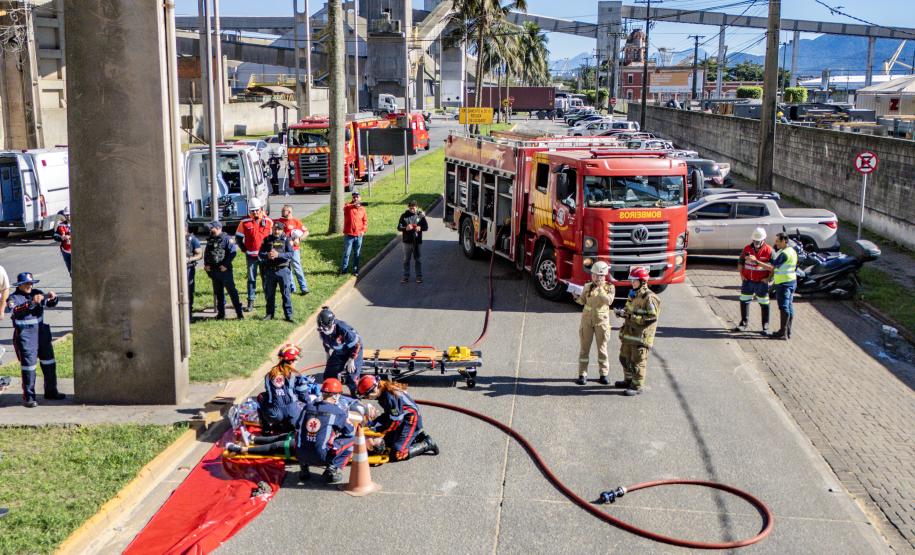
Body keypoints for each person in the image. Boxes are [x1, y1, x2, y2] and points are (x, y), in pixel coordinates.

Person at [6, 272, 65, 407]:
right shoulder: (14, 298)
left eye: (31, 283)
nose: (29, 286)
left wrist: (53, 298)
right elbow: (15, 310)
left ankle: (51, 392)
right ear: (19, 285)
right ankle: (29, 397)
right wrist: (31, 303)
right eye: (26, 283)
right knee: (29, 367)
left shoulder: (37, 292)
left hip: (42, 333)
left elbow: (49, 303)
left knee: (49, 362)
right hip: (26, 335)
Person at [356, 375, 439, 461]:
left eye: (366, 396)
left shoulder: (389, 397)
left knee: (397, 454)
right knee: (388, 442)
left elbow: (395, 422)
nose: (367, 398)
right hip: (401, 418)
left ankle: (427, 443)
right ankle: (415, 438)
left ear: (373, 390)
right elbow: (388, 416)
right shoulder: (383, 391)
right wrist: (372, 425)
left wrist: (380, 432)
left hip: (410, 421)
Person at [295, 378, 357, 484]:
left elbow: (297, 426)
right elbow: (349, 432)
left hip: (300, 454)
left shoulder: (307, 407)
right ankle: (332, 469)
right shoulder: (338, 412)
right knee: (353, 440)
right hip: (322, 457)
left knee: (300, 436)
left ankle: (304, 468)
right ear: (335, 395)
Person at [615, 267, 661, 396]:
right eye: (632, 280)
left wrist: (632, 317)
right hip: (629, 333)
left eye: (634, 281)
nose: (632, 283)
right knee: (624, 358)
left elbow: (652, 317)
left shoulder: (650, 298)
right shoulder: (633, 294)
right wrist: (622, 313)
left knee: (637, 362)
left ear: (643, 281)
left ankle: (637, 386)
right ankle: (628, 380)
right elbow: (628, 309)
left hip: (641, 337)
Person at [574, 261, 616, 385]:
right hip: (587, 321)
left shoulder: (609, 288)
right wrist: (575, 297)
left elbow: (609, 301)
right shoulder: (587, 286)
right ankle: (582, 374)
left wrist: (600, 288)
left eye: (598, 275)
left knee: (602, 349)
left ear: (604, 276)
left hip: (601, 322)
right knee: (584, 349)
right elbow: (582, 301)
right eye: (593, 275)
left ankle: (604, 374)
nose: (595, 278)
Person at [749, 232, 797, 340]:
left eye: (778, 241)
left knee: (784, 307)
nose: (776, 243)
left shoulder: (784, 254)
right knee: (789, 306)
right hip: (791, 281)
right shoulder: (791, 251)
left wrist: (756, 261)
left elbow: (772, 267)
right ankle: (787, 332)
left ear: (784, 241)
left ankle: (782, 333)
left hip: (783, 283)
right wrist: (768, 279)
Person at [258, 344, 314, 433]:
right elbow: (303, 396)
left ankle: (266, 428)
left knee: (261, 397)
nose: (297, 362)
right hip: (292, 415)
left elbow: (270, 392)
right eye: (296, 359)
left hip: (275, 415)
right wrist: (311, 405)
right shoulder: (296, 375)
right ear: (292, 361)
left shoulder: (269, 375)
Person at [235, 198, 273, 312]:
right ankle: (250, 302)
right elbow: (238, 238)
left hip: (265, 256)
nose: (255, 212)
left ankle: (268, 301)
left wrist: (270, 251)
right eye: (252, 211)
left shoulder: (268, 221)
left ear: (261, 209)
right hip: (251, 256)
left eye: (256, 210)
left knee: (266, 279)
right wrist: (244, 249)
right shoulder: (244, 222)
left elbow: (272, 238)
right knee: (251, 279)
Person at [317, 306, 362, 396]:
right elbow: (326, 343)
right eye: (323, 329)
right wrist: (327, 354)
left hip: (353, 350)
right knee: (328, 375)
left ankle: (355, 395)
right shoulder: (323, 331)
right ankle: (332, 395)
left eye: (326, 328)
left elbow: (357, 344)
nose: (325, 331)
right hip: (340, 350)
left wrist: (351, 359)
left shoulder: (343, 329)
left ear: (332, 323)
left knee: (351, 377)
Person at [735, 227, 773, 334]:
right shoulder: (747, 249)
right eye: (754, 240)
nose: (756, 243)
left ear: (763, 240)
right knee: (744, 300)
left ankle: (765, 326)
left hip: (761, 282)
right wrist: (741, 275)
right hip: (747, 281)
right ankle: (743, 324)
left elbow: (773, 268)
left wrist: (768, 279)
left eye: (758, 241)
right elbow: (740, 262)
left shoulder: (769, 250)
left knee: (764, 303)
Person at [204, 220, 244, 320]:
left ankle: (239, 314)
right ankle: (221, 314)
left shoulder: (227, 239)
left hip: (225, 271)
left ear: (218, 228)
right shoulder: (211, 239)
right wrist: (206, 265)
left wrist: (225, 265)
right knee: (218, 293)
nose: (210, 230)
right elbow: (207, 253)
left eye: (212, 228)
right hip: (214, 271)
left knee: (232, 292)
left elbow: (233, 253)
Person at [258, 221, 295, 322]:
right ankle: (269, 314)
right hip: (270, 271)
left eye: (279, 229)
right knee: (270, 294)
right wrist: (267, 255)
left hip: (283, 270)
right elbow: (260, 253)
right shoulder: (267, 239)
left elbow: (291, 254)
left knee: (286, 294)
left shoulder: (286, 239)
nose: (276, 231)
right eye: (275, 229)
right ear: (272, 229)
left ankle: (288, 315)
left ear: (282, 230)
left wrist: (279, 255)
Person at [275, 204, 310, 295]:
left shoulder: (296, 222)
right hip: (283, 250)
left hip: (294, 250)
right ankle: (291, 288)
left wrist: (299, 239)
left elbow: (306, 232)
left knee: (297, 268)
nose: (282, 212)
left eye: (283, 211)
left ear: (289, 212)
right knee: (287, 269)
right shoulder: (280, 221)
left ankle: (304, 288)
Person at [397, 200, 429, 284]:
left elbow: (426, 227)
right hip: (407, 242)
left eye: (414, 208)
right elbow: (399, 227)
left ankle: (419, 277)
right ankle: (405, 276)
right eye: (411, 208)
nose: (412, 210)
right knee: (406, 260)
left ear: (417, 207)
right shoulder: (404, 216)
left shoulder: (420, 216)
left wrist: (420, 228)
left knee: (418, 259)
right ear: (408, 207)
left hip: (417, 242)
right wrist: (405, 228)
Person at [341, 191, 367, 277]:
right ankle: (344, 270)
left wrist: (363, 230)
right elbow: (345, 207)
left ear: (360, 198)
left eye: (357, 197)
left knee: (357, 253)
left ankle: (355, 270)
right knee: (347, 253)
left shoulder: (362, 209)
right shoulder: (348, 206)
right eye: (354, 197)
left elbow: (365, 221)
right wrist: (354, 205)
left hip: (359, 235)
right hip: (349, 235)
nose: (355, 198)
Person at [185, 225, 202, 319]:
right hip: (175, 269)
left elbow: (199, 254)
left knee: (188, 290)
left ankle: (188, 313)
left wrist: (189, 259)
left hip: (188, 268)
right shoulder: (173, 238)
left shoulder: (192, 239)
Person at [53, 209, 72, 276]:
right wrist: (61, 237)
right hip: (65, 251)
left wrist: (69, 236)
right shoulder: (61, 225)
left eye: (69, 215)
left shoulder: (78, 224)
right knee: (70, 271)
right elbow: (55, 236)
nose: (68, 216)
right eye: (66, 215)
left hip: (76, 251)